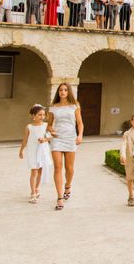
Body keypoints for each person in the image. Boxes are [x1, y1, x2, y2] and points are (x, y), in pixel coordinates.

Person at [47, 83, 84, 211]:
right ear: (58, 92)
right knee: (58, 167)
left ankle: (67, 186)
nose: (63, 92)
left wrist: (80, 136)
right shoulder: (53, 107)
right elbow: (49, 125)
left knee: (69, 168)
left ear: (69, 92)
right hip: (57, 139)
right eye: (61, 90)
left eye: (65, 90)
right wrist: (51, 131)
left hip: (70, 138)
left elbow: (80, 123)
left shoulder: (75, 105)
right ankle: (59, 198)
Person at [19, 104, 53, 203]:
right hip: (32, 151)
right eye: (39, 115)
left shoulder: (46, 125)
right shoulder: (29, 127)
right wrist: (21, 150)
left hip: (42, 151)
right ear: (33, 116)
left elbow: (51, 136)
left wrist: (45, 139)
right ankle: (33, 193)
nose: (42, 117)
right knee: (34, 171)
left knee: (40, 171)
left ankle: (37, 188)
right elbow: (25, 140)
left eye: (43, 115)